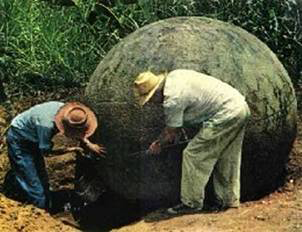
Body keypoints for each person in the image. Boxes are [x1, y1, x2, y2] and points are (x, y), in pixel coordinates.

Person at [133, 69, 250, 217]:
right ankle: (228, 200)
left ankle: (191, 203)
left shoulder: (172, 99)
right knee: (227, 156)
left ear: (156, 92)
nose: (151, 103)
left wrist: (158, 144)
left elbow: (171, 132)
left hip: (225, 114)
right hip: (239, 106)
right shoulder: (175, 76)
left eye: (150, 99)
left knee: (193, 155)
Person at [3, 101, 105, 211]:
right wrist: (72, 149)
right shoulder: (46, 125)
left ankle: (46, 203)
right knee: (34, 186)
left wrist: (89, 144)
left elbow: (77, 127)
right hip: (20, 139)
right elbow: (47, 152)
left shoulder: (67, 111)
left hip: (33, 136)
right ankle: (41, 213)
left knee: (42, 179)